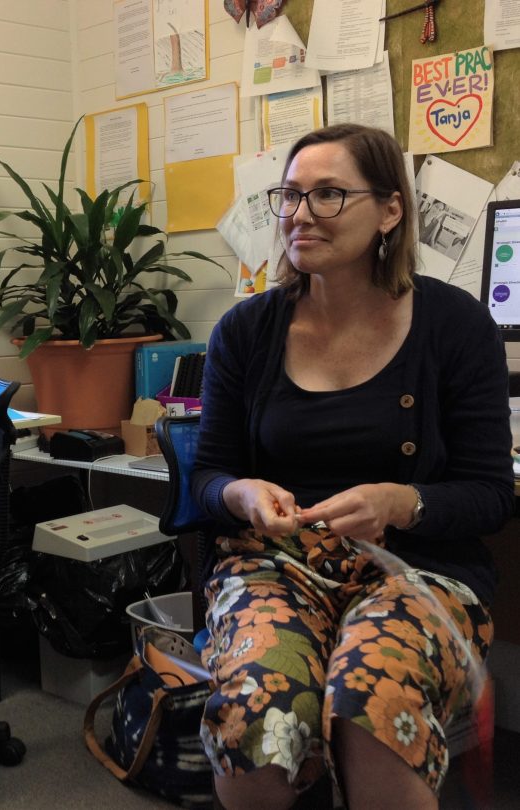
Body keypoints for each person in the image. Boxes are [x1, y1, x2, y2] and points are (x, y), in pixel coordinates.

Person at [191, 124, 513, 810]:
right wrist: (241, 492)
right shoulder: (246, 332)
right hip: (276, 562)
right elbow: (207, 474)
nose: (301, 214)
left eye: (329, 194)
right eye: (291, 195)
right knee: (261, 708)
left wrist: (404, 502)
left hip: (418, 567)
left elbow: (491, 494)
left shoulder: (454, 326)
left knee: (372, 704)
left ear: (391, 210)